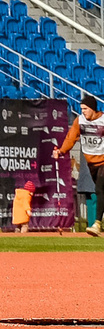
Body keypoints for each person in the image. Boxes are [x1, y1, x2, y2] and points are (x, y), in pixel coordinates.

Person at [63, 93, 104, 237]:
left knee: (99, 190)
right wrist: (61, 151)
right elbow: (71, 138)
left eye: (85, 109)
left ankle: (97, 224)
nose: (83, 112)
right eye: (81, 109)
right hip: (91, 163)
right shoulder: (80, 121)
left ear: (93, 108)